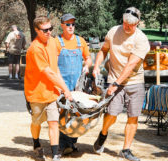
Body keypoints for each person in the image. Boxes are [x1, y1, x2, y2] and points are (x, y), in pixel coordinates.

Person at [92, 7, 150, 161]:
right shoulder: (113, 31)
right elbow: (103, 50)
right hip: (114, 77)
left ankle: (126, 149)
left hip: (134, 81)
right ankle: (103, 134)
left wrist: (116, 84)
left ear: (137, 23)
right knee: (112, 114)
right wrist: (97, 65)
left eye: (130, 25)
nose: (126, 26)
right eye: (124, 23)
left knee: (133, 117)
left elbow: (130, 65)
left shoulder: (141, 39)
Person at [24, 16, 73, 161]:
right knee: (37, 122)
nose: (49, 32)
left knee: (53, 122)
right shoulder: (35, 48)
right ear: (36, 30)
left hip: (51, 92)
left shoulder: (53, 42)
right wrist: (65, 89)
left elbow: (54, 67)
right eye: (45, 30)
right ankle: (36, 143)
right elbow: (48, 73)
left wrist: (61, 86)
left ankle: (55, 153)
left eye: (50, 29)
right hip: (36, 93)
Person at [55, 13, 92, 155]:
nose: (71, 27)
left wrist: (87, 66)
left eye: (73, 24)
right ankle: (64, 144)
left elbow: (88, 59)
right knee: (64, 113)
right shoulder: (57, 42)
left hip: (78, 85)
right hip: (62, 84)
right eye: (68, 24)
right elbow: (54, 64)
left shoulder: (80, 41)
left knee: (78, 112)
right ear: (62, 25)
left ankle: (72, 142)